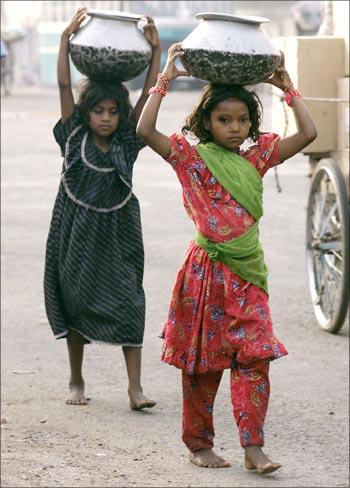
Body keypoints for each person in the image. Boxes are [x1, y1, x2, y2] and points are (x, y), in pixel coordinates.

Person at [136, 44, 317, 472]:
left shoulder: (257, 158)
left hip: (247, 274)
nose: (235, 128)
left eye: (243, 120)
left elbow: (308, 134)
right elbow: (144, 131)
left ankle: (253, 446)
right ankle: (199, 443)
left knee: (255, 356)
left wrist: (288, 88)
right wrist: (165, 79)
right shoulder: (191, 159)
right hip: (204, 273)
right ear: (206, 122)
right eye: (224, 120)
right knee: (202, 363)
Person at [44, 8, 161, 410]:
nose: (107, 119)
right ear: (86, 113)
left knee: (131, 300)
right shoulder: (73, 134)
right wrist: (64, 39)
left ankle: (135, 388)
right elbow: (63, 82)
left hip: (121, 231)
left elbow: (148, 97)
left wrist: (156, 52)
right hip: (75, 230)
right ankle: (76, 378)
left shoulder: (129, 142)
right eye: (99, 111)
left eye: (113, 112)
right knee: (76, 301)